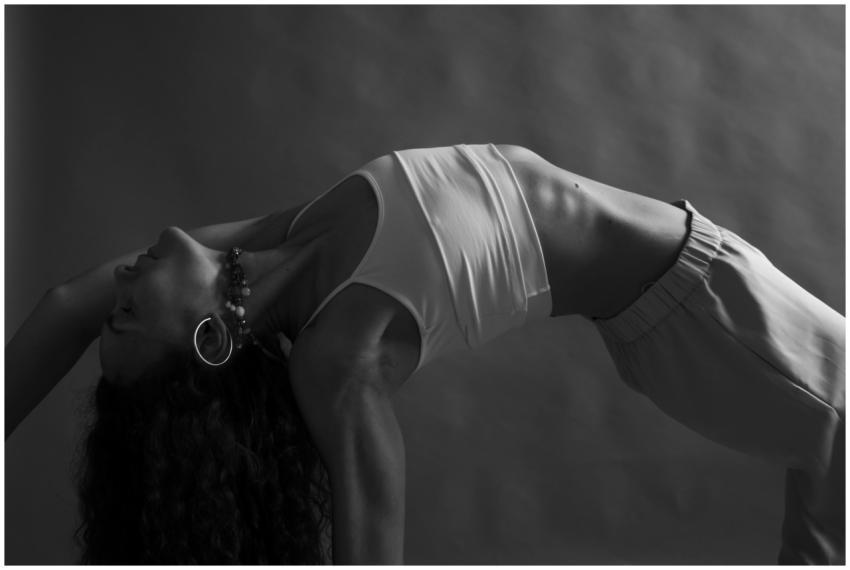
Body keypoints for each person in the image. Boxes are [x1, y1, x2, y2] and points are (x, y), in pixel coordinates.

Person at [6, 144, 844, 564]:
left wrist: (99, 316)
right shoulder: (334, 358)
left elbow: (66, 304)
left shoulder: (286, 238)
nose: (118, 280)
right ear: (207, 343)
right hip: (694, 318)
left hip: (703, 278)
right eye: (127, 314)